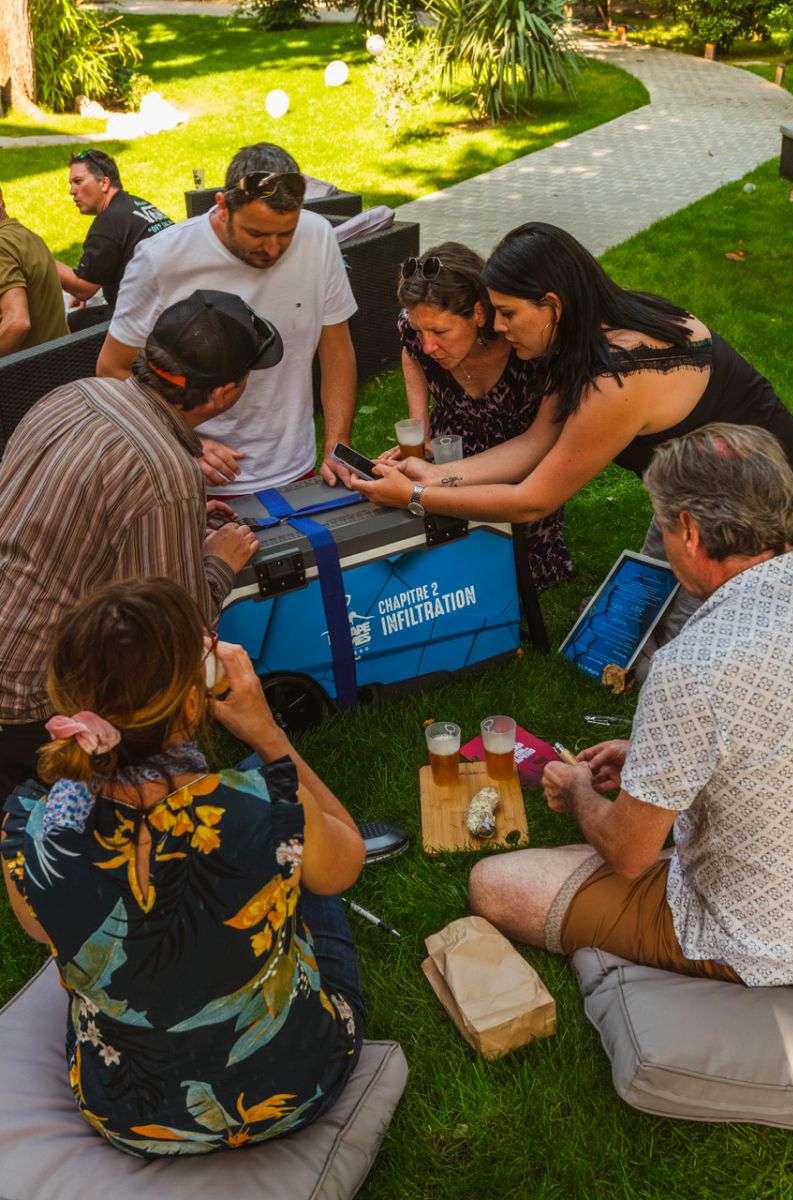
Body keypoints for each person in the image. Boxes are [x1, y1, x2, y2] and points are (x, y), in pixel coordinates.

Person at [1, 576, 366, 1157]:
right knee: (309, 862)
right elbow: (348, 862)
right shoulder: (267, 806)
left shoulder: (28, 831)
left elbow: (40, 929)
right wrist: (268, 735)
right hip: (296, 1088)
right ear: (194, 702)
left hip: (129, 1119)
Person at [352, 222, 793, 650]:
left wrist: (415, 496)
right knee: (616, 631)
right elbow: (535, 443)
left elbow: (533, 500)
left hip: (762, 519)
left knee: (671, 655)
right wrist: (431, 475)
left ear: (552, 305)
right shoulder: (599, 328)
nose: (499, 327)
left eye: (508, 313)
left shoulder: (615, 379)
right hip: (695, 499)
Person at [469, 424, 793, 987]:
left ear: (689, 531)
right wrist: (651, 754)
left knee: (495, 883)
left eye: (662, 525)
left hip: (763, 938)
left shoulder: (691, 665)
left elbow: (629, 853)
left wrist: (578, 791)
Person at [0, 288, 284, 802]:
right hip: (31, 702)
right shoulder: (167, 473)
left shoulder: (74, 393)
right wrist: (219, 561)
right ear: (223, 393)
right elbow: (174, 631)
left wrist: (177, 519)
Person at [97, 141, 358, 493]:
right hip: (197, 477)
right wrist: (185, 443)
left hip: (295, 466)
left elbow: (337, 351)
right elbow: (112, 369)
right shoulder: (161, 259)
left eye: (286, 234)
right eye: (256, 233)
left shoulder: (318, 236)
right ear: (222, 207)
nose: (272, 249)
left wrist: (337, 445)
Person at [394, 242, 571, 590]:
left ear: (478, 313)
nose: (427, 345)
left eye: (440, 332)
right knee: (448, 555)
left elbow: (537, 444)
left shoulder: (526, 343)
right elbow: (411, 353)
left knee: (515, 573)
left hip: (519, 464)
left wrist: (422, 485)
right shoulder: (416, 326)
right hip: (452, 447)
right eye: (420, 330)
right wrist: (420, 425)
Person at [56, 149, 173, 331]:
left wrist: (40, 257)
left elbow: (83, 289)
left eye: (78, 182)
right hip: (178, 303)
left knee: (73, 323)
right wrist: (93, 277)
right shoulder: (134, 204)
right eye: (71, 183)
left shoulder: (109, 221)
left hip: (157, 320)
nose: (72, 191)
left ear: (104, 183)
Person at [0, 187, 67, 354]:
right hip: (59, 360)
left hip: (31, 367)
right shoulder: (27, 236)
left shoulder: (2, 247)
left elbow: (17, 323)